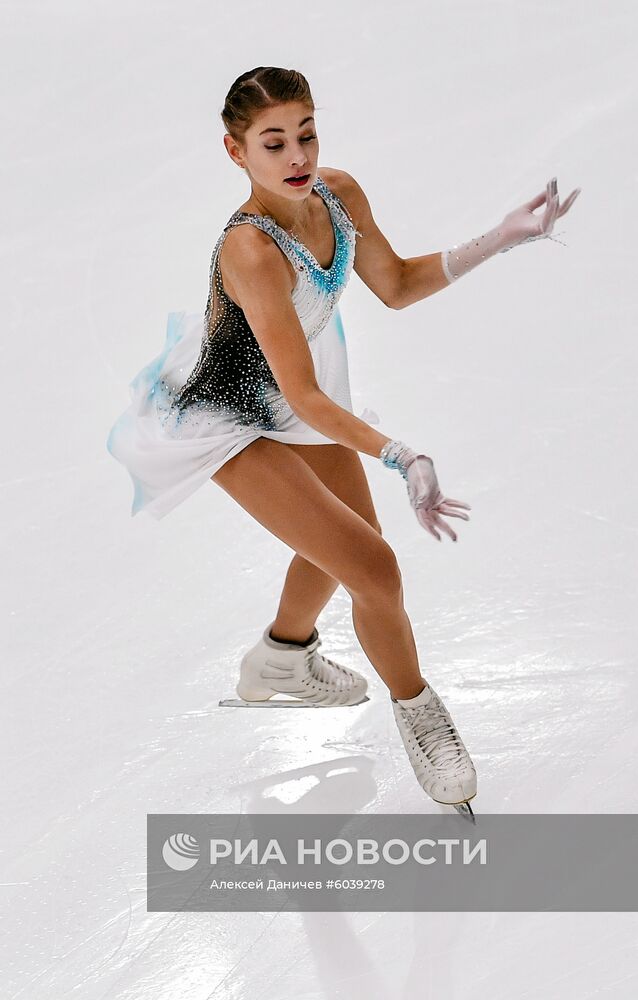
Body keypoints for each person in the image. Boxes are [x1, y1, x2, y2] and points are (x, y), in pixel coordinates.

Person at [106, 66, 581, 815]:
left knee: (336, 547)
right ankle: (419, 713)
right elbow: (302, 395)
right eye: (273, 144)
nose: (297, 157)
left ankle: (280, 657)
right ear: (236, 153)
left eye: (306, 134)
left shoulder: (338, 193)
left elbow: (391, 283)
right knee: (375, 568)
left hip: (293, 393)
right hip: (227, 416)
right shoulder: (250, 250)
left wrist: (500, 238)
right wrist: (400, 454)